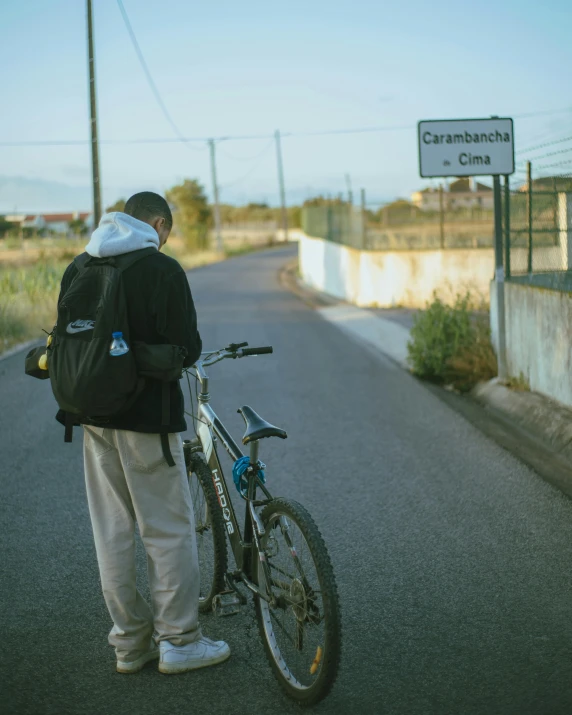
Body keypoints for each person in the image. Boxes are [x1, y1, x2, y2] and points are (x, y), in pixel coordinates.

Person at [57, 192, 230, 675]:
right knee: (167, 530)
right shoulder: (162, 269)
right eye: (166, 231)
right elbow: (188, 349)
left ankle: (130, 644)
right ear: (157, 224)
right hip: (146, 420)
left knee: (111, 532)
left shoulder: (80, 265)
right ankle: (179, 640)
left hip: (92, 418)